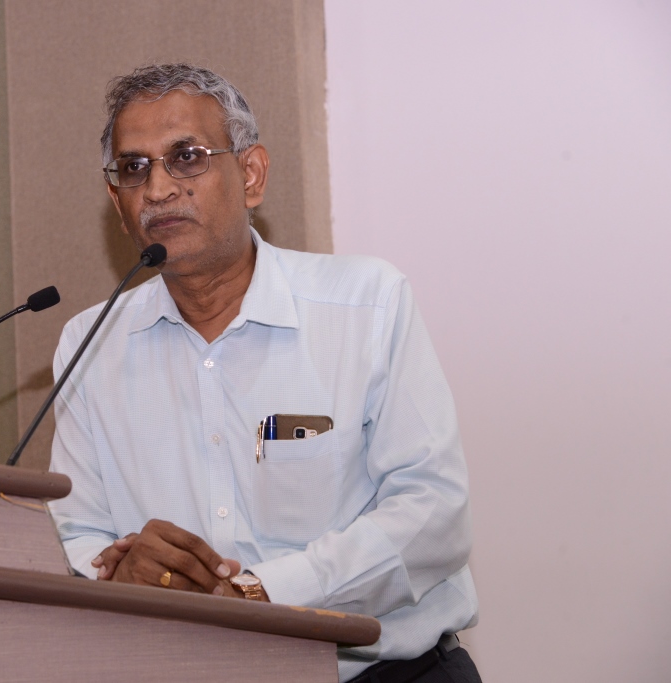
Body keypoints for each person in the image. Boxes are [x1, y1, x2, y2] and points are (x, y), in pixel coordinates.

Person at [48, 63, 481, 683]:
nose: (159, 188)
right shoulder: (90, 343)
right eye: (134, 168)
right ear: (119, 204)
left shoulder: (366, 303)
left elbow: (432, 515)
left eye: (186, 157)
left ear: (250, 175)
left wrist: (257, 594)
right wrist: (116, 573)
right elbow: (74, 531)